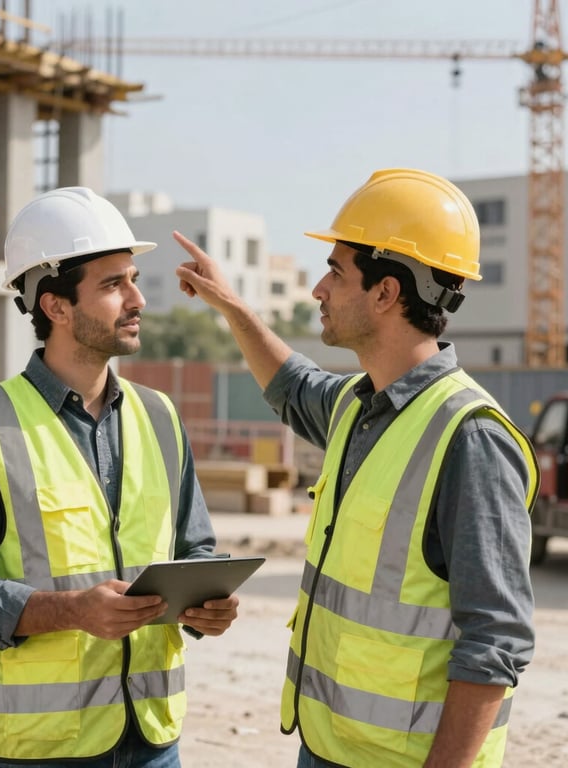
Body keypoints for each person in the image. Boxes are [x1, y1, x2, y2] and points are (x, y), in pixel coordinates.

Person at [172, 168, 540, 768]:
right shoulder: (357, 405)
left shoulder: (470, 438)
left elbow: (495, 642)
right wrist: (232, 305)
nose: (319, 289)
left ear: (386, 293)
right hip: (328, 747)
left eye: (337, 271)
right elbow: (291, 384)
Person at [0, 186, 239, 768]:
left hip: (151, 741)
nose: (137, 298)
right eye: (113, 284)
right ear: (55, 306)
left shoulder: (161, 417)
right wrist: (70, 610)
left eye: (133, 278)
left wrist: (206, 609)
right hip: (39, 750)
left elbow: (195, 551)